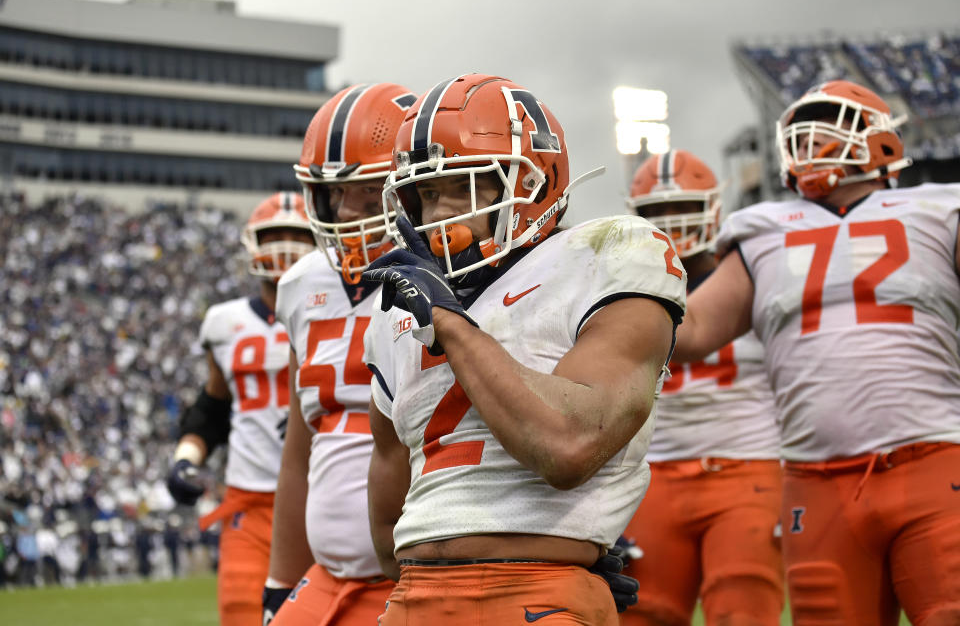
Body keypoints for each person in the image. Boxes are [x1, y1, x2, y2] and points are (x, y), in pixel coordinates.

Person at [360, 73, 687, 626]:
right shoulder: (397, 314)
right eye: (426, 195)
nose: (438, 215)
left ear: (532, 185)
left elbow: (569, 444)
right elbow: (388, 527)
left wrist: (452, 326)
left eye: (461, 189)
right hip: (414, 599)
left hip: (535, 594)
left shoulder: (606, 254)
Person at [672, 79, 960, 626]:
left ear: (881, 140)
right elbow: (691, 331)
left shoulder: (939, 207)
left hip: (934, 463)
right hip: (817, 483)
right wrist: (618, 293)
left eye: (834, 120)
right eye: (801, 126)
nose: (809, 137)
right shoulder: (762, 229)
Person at [262, 82, 415, 626]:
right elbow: (300, 451)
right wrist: (281, 580)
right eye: (334, 194)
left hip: (415, 577)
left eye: (370, 194)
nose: (348, 212)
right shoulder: (302, 284)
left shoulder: (449, 281)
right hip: (325, 577)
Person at [621, 150, 783, 626]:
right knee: (643, 611)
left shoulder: (752, 272)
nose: (671, 223)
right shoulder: (616, 280)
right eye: (656, 213)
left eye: (683, 208)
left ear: (713, 208)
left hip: (746, 465)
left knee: (743, 607)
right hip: (653, 476)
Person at [166, 193, 314, 626]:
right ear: (253, 244)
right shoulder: (224, 322)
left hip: (319, 496)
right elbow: (212, 407)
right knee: (241, 614)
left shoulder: (338, 311)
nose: (285, 245)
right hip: (249, 504)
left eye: (296, 235)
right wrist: (185, 459)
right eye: (275, 235)